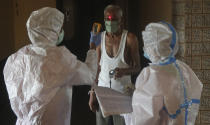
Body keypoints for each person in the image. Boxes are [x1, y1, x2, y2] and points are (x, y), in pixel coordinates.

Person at [3, 7, 97, 125]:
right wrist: (93, 48)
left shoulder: (16, 58)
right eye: (60, 28)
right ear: (52, 31)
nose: (62, 32)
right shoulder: (58, 58)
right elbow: (90, 75)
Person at [129, 22, 203, 125]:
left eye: (146, 43)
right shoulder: (183, 68)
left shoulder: (151, 74)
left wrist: (128, 114)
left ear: (152, 46)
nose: (144, 47)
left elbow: (144, 118)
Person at [89, 5, 140, 125]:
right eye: (107, 19)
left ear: (121, 20)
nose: (110, 22)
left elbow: (138, 67)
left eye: (114, 19)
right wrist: (92, 93)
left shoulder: (130, 39)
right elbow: (96, 68)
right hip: (102, 95)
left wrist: (124, 71)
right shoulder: (99, 38)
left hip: (122, 96)